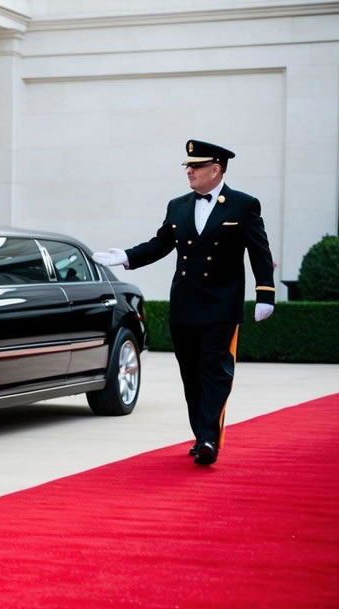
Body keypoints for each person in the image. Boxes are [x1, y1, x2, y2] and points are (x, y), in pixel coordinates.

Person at [92, 140, 275, 466]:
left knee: (214, 372)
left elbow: (259, 252)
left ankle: (209, 439)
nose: (189, 170)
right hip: (185, 305)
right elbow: (160, 244)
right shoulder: (177, 206)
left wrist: (265, 293)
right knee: (191, 374)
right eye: (187, 166)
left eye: (196, 165)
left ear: (215, 169)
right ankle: (200, 434)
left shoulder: (244, 205)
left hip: (221, 305)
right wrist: (126, 257)